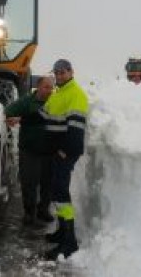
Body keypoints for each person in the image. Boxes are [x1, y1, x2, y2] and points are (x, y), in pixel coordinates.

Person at [39, 58, 89, 260]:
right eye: (57, 73)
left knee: (61, 193)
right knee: (56, 190)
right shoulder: (59, 93)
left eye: (63, 72)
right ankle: (61, 232)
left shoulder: (76, 94)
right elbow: (44, 115)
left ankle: (70, 242)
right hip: (56, 151)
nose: (59, 76)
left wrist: (65, 151)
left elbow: (76, 130)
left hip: (65, 152)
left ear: (71, 72)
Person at [4, 76, 55, 226]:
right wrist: (13, 118)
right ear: (38, 87)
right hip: (30, 151)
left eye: (51, 87)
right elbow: (8, 111)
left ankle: (43, 210)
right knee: (29, 183)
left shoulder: (54, 101)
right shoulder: (27, 101)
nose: (49, 90)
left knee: (48, 183)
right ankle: (29, 214)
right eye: (46, 87)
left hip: (49, 151)